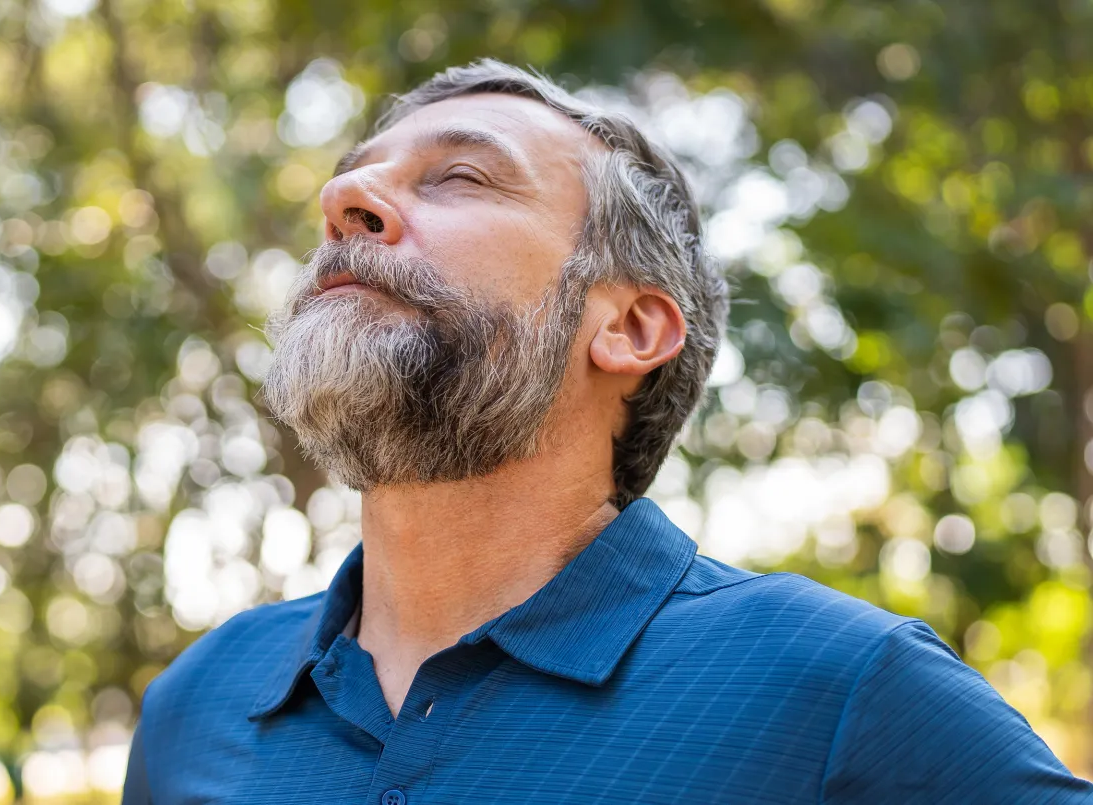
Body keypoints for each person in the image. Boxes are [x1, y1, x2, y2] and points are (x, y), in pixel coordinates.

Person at [121, 59, 1093, 804]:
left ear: (629, 328)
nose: (344, 204)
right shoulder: (197, 700)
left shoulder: (841, 687)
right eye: (350, 186)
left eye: (458, 175)